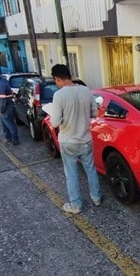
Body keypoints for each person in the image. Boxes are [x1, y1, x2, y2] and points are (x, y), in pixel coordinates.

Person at [49, 64, 102, 214]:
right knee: (91, 169)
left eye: (55, 81)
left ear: (58, 79)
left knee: (71, 174)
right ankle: (96, 198)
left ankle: (76, 205)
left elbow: (54, 122)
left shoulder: (59, 95)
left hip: (68, 141)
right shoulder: (86, 90)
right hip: (86, 139)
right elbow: (94, 113)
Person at [0, 68, 19, 146]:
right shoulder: (0, 82)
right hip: (3, 107)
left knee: (10, 124)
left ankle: (14, 140)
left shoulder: (1, 84)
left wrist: (1, 110)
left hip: (5, 108)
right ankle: (8, 138)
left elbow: (2, 99)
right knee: (5, 124)